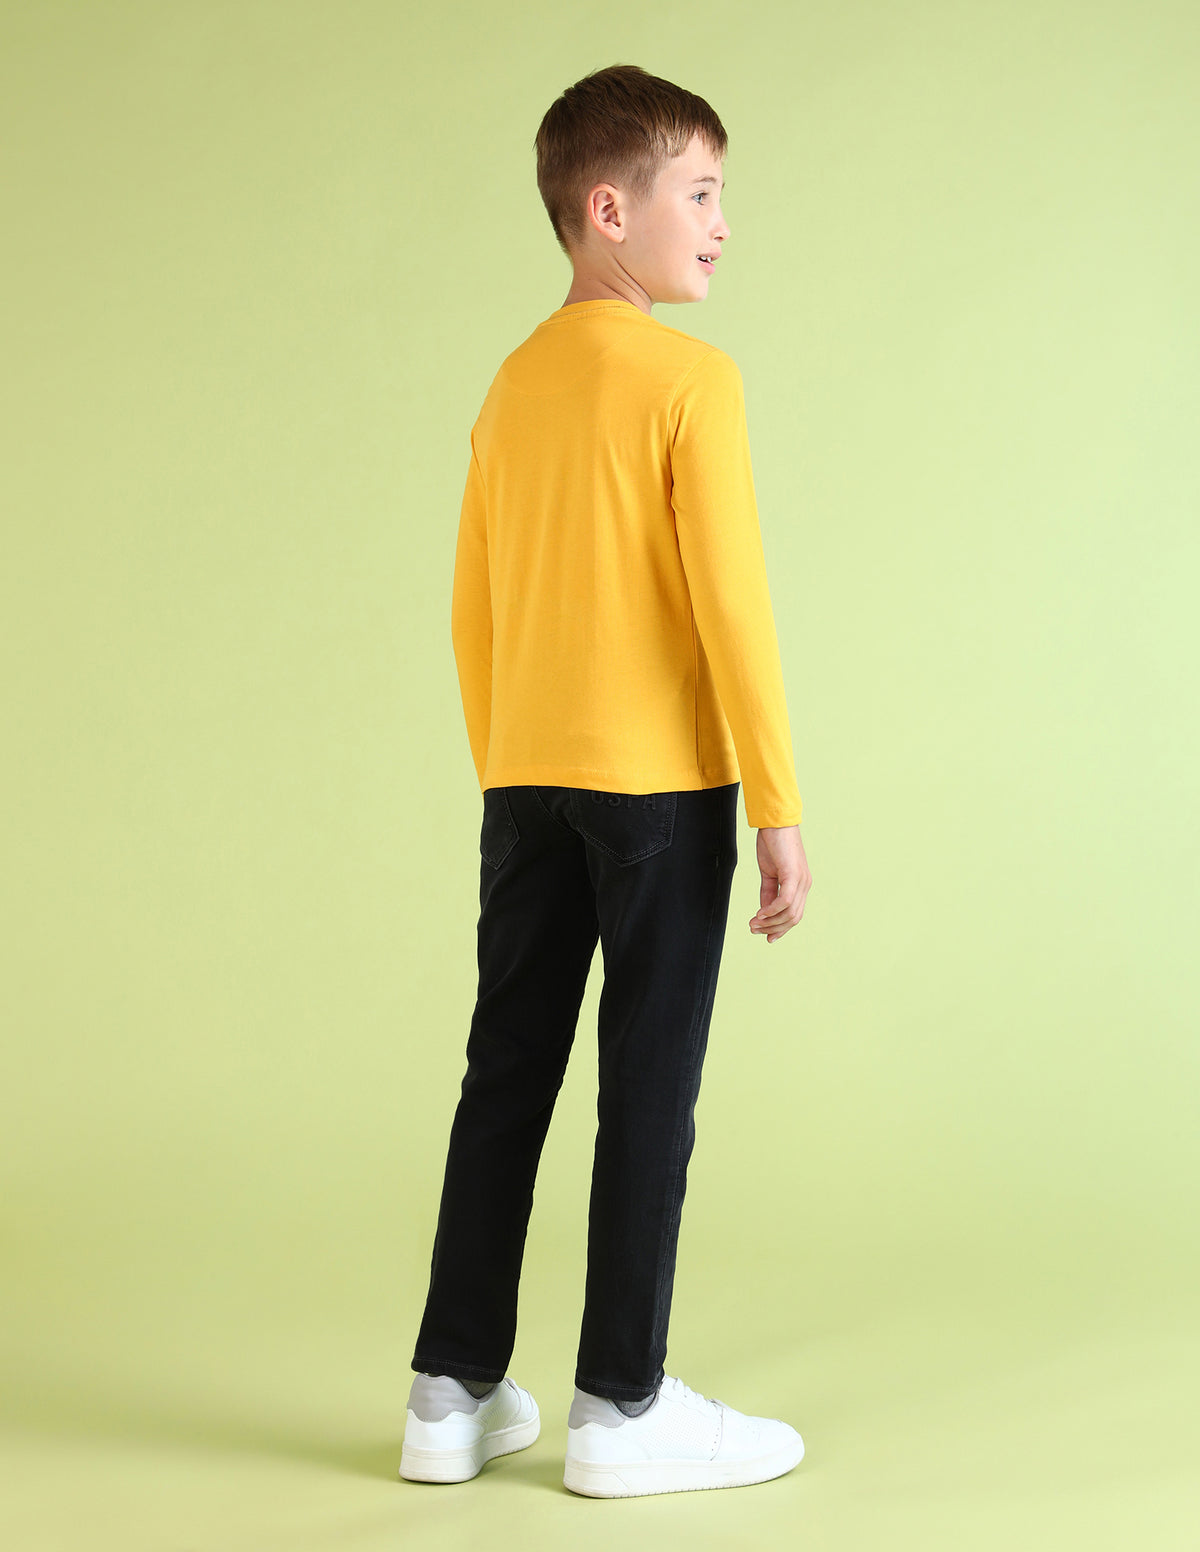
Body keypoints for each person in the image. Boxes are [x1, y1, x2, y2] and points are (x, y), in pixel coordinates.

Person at [400, 62, 812, 1499]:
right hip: (661, 796)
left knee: (504, 1073)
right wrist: (776, 801)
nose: (722, 223)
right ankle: (620, 1406)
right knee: (647, 1087)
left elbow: (471, 605)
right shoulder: (693, 381)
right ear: (608, 209)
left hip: (525, 784)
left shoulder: (511, 385)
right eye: (700, 193)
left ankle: (449, 1394)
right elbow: (732, 607)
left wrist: (509, 767)